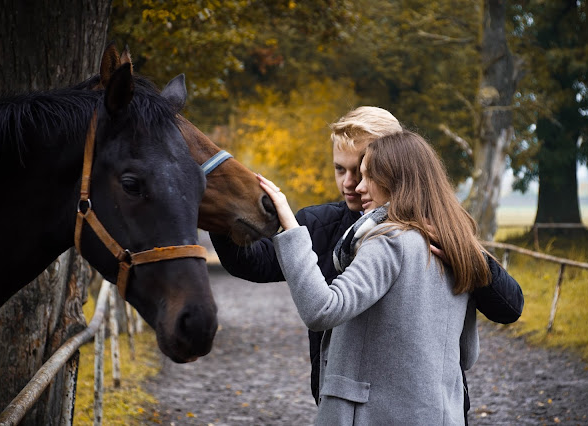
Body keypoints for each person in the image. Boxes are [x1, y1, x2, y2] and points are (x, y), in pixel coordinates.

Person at [209, 106, 524, 420]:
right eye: (339, 169)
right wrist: (218, 209)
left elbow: (507, 309)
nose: (349, 183)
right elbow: (253, 263)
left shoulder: (434, 234)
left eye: (360, 171)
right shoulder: (322, 225)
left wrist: (464, 252)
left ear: (391, 163)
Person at [258, 130, 488, 424]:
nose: (358, 186)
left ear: (397, 181)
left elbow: (322, 309)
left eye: (369, 177)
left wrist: (291, 229)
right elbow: (467, 354)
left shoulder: (389, 241)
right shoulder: (456, 246)